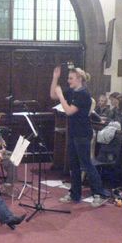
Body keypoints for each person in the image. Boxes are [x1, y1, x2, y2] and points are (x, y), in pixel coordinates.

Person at [50, 66, 108, 207]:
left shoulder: (83, 94)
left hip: (83, 133)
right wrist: (55, 78)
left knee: (86, 164)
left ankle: (100, 194)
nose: (68, 81)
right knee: (74, 164)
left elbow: (69, 111)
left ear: (79, 79)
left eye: (71, 78)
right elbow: (53, 95)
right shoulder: (72, 91)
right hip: (73, 133)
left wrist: (61, 95)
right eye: (68, 78)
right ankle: (75, 193)